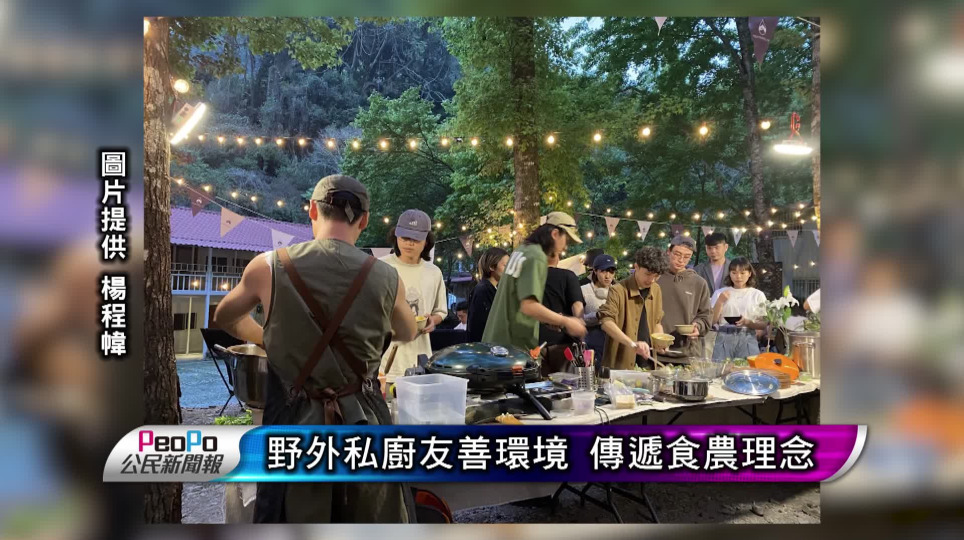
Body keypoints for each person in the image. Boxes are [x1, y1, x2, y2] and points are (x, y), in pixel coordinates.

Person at [213, 174, 416, 523]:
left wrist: (271, 339)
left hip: (292, 423)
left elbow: (225, 317)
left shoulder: (268, 266)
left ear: (311, 210)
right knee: (371, 515)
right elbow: (407, 331)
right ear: (364, 220)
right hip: (363, 421)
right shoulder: (387, 277)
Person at [482, 212, 587, 351]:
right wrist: (566, 321)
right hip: (512, 348)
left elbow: (516, 301)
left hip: (497, 340)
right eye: (566, 240)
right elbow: (529, 306)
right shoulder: (536, 256)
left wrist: (548, 320)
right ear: (555, 234)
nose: (565, 247)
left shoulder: (522, 250)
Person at [378, 210, 448, 379]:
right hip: (385, 360)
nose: (409, 243)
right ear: (396, 236)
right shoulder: (380, 267)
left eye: (416, 239)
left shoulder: (433, 272)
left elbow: (440, 311)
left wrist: (432, 321)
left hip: (421, 359)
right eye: (404, 238)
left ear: (426, 241)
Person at [597, 247, 668, 371]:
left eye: (656, 276)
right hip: (622, 363)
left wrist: (660, 341)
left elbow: (657, 322)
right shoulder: (618, 290)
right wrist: (632, 344)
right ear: (636, 267)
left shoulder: (656, 289)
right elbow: (606, 322)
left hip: (648, 361)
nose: (651, 280)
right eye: (648, 274)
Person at [657, 235, 712, 356]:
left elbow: (705, 316)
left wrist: (698, 326)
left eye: (687, 257)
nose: (681, 260)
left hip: (687, 352)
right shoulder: (655, 278)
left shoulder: (699, 283)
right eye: (677, 254)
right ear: (668, 252)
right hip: (656, 350)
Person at [709, 257, 768, 361]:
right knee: (721, 369)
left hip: (748, 336)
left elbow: (763, 324)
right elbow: (712, 321)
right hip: (724, 337)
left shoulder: (757, 295)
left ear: (749, 274)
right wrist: (720, 302)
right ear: (729, 274)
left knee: (748, 369)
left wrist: (747, 322)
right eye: (734, 273)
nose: (738, 276)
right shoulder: (720, 293)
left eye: (742, 273)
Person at [539, 250, 585, 348]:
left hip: (534, 341)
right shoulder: (568, 276)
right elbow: (577, 305)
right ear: (557, 258)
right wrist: (579, 329)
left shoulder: (531, 278)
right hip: (563, 342)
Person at [466, 247, 509, 343]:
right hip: (485, 347)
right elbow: (481, 325)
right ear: (492, 267)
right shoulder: (483, 290)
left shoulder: (490, 288)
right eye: (505, 266)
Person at [581, 253, 617, 363]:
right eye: (603, 271)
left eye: (611, 272)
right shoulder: (583, 290)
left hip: (614, 341)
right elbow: (578, 319)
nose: (608, 276)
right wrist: (597, 315)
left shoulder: (618, 291)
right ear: (595, 271)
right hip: (591, 342)